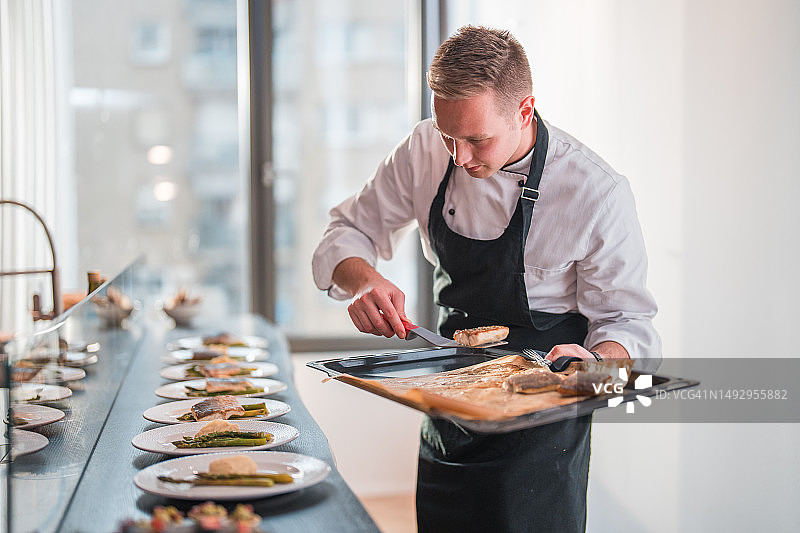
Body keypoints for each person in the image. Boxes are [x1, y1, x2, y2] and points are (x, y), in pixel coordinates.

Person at [312, 25, 660, 532]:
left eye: (477, 139)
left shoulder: (596, 192)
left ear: (524, 110)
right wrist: (364, 280)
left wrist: (596, 364)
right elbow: (347, 231)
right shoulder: (424, 149)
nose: (459, 157)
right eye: (447, 135)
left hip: (542, 424)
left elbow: (629, 323)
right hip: (449, 406)